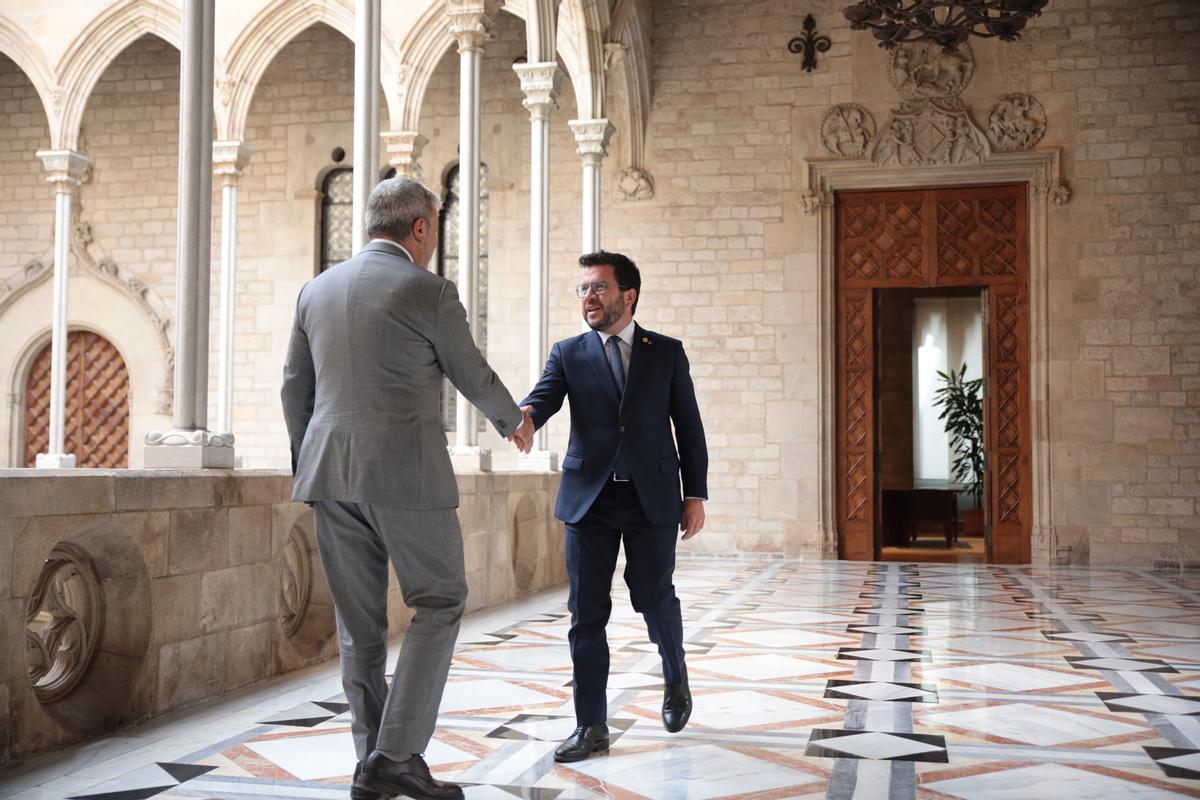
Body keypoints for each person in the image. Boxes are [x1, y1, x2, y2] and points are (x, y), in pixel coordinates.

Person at [281, 177, 532, 800]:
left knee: (359, 631)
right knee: (441, 600)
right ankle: (395, 756)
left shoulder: (316, 290)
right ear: (420, 228)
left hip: (329, 477)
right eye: (436, 228)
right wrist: (514, 420)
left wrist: (310, 462)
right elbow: (469, 368)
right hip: (406, 476)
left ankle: (372, 765)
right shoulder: (430, 291)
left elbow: (294, 390)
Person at [517, 251, 708, 762]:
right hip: (589, 500)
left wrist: (695, 494)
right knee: (586, 615)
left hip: (653, 498)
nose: (589, 298)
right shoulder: (569, 352)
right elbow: (543, 399)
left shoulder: (665, 353)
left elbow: (688, 428)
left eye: (599, 287)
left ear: (629, 294)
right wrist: (523, 420)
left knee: (653, 597)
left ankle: (676, 675)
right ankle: (591, 726)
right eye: (583, 289)